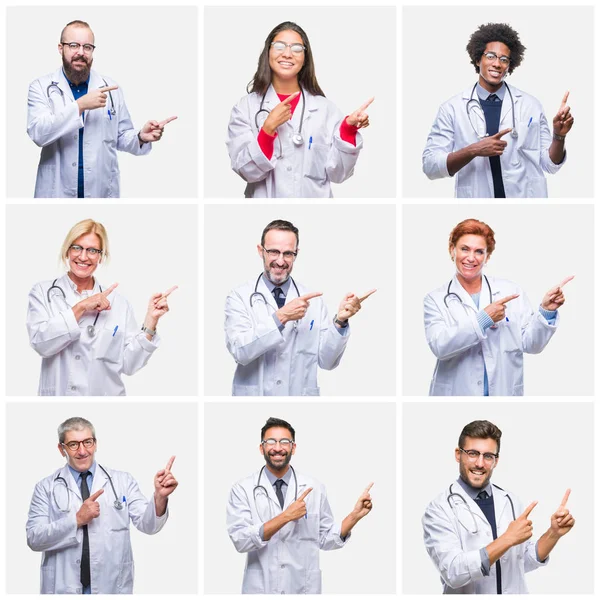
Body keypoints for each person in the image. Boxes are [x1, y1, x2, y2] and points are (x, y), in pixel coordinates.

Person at [26, 417, 178, 594]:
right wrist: (76, 520)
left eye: (88, 442)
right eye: (73, 444)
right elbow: (34, 539)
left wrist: (159, 497)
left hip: (111, 586)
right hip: (62, 586)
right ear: (62, 449)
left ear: (96, 444)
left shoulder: (122, 481)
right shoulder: (46, 487)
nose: (82, 451)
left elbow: (149, 525)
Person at [27, 20, 177, 198]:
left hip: (101, 191)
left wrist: (141, 137)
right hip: (56, 191)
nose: (81, 53)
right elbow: (38, 133)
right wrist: (80, 106)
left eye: (87, 47)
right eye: (74, 45)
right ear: (61, 48)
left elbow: (121, 136)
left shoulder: (110, 87)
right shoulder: (40, 87)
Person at [224, 219, 375, 395]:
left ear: (296, 254)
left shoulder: (314, 301)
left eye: (288, 253)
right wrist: (281, 317)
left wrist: (340, 321)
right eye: (273, 252)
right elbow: (240, 351)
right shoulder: (239, 296)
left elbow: (327, 362)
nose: (280, 261)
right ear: (260, 251)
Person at [27, 218, 177, 395]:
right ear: (67, 251)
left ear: (101, 256)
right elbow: (40, 344)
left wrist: (151, 321)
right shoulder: (43, 292)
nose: (83, 256)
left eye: (92, 250)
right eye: (77, 247)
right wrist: (82, 307)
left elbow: (129, 365)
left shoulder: (119, 303)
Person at [422, 420, 574, 594]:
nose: (480, 463)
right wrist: (507, 539)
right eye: (472, 453)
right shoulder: (439, 509)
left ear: (496, 460)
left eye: (488, 456)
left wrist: (553, 534)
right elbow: (453, 572)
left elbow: (521, 561)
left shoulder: (510, 500)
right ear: (458, 454)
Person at [422, 23, 573, 198]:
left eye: (504, 59)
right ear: (478, 59)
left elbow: (549, 164)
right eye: (491, 56)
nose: (497, 64)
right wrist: (474, 150)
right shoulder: (452, 109)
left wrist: (559, 136)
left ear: (510, 65)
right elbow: (430, 166)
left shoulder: (530, 105)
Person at [424, 218, 572, 396]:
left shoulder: (510, 291)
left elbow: (531, 344)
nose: (471, 257)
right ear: (452, 250)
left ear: (487, 257)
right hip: (457, 393)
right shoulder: (436, 299)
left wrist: (547, 310)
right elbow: (440, 347)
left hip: (503, 391)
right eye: (465, 249)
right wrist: (484, 319)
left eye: (479, 251)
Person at [226, 417, 373, 594]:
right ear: (261, 448)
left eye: (285, 442)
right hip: (261, 589)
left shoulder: (314, 488)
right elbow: (241, 541)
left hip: (302, 588)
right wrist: (286, 516)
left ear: (293, 448)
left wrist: (354, 516)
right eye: (271, 441)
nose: (278, 448)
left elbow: (326, 539)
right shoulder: (242, 489)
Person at [226, 21, 374, 198]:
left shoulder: (325, 109)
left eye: (297, 48)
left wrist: (348, 131)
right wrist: (267, 130)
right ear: (268, 52)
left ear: (305, 58)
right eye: (279, 46)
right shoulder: (245, 108)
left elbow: (339, 174)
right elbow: (245, 171)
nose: (287, 54)